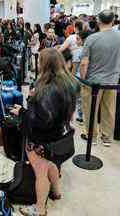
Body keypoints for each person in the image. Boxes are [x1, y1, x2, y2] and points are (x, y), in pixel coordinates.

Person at [11, 48, 78, 216]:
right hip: (61, 136)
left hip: (42, 140)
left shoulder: (45, 89)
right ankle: (56, 192)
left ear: (45, 65)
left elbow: (40, 121)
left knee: (40, 172)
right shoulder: (69, 83)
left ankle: (39, 209)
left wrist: (23, 111)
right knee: (52, 164)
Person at [80, 10, 120, 146]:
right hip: (113, 81)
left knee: (90, 109)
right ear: (113, 21)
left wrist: (83, 80)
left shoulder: (92, 39)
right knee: (109, 110)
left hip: (93, 82)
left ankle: (92, 137)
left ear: (98, 21)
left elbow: (84, 62)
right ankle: (107, 137)